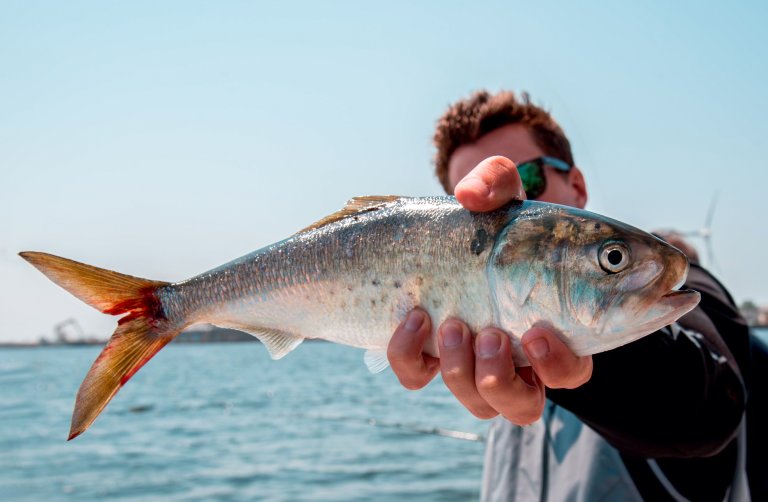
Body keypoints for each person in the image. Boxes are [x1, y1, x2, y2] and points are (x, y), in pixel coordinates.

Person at [386, 90, 753, 500]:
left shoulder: (667, 285)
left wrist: (587, 361)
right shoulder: (496, 356)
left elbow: (708, 407)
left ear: (576, 185)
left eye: (528, 179)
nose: (507, 203)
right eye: (475, 210)